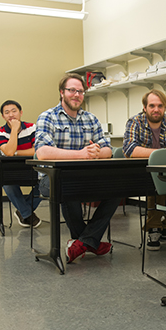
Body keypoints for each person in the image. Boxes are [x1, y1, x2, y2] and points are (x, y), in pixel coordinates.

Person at [35, 73, 121, 264]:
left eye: (80, 91)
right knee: (66, 186)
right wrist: (81, 153)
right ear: (62, 93)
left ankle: (83, 242)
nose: (76, 95)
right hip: (50, 179)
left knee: (117, 188)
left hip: (84, 178)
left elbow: (108, 149)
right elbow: (42, 152)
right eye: (72, 90)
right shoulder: (48, 117)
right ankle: (90, 241)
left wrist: (96, 153)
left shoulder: (90, 119)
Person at [123, 89, 166, 251]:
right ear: (144, 107)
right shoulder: (135, 122)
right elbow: (129, 150)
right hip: (143, 171)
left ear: (165, 107)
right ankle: (154, 227)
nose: (156, 109)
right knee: (156, 182)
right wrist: (163, 152)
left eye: (160, 106)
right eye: (152, 105)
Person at [0, 100, 42, 228]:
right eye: (7, 112)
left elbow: (37, 150)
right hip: (12, 172)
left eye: (14, 111)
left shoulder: (33, 127)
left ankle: (23, 212)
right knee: (7, 183)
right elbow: (8, 152)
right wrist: (14, 130)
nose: (11, 115)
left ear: (20, 113)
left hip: (33, 169)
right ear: (3, 116)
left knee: (46, 184)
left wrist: (16, 153)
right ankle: (28, 214)